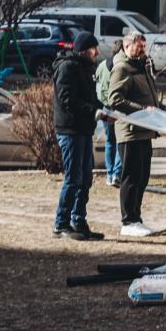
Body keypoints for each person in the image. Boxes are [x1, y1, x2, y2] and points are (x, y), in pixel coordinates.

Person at [107, 30, 162, 236]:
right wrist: (143, 110)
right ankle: (128, 221)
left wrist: (161, 110)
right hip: (130, 132)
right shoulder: (122, 68)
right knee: (131, 177)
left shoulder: (140, 67)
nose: (143, 51)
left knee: (142, 177)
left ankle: (136, 219)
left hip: (145, 131)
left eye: (144, 47)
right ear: (127, 46)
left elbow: (148, 96)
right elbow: (115, 99)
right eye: (139, 47)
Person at [53, 31, 105, 241]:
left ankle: (79, 221)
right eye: (94, 49)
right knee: (73, 178)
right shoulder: (67, 67)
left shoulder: (86, 68)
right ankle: (61, 224)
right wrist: (93, 111)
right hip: (70, 130)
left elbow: (90, 98)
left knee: (85, 178)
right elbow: (67, 99)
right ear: (84, 50)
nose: (97, 52)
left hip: (84, 130)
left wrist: (103, 110)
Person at [94, 40, 123, 188]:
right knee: (120, 141)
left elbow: (97, 87)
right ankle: (117, 173)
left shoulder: (101, 66)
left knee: (110, 141)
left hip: (105, 108)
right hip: (118, 109)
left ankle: (110, 174)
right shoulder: (121, 66)